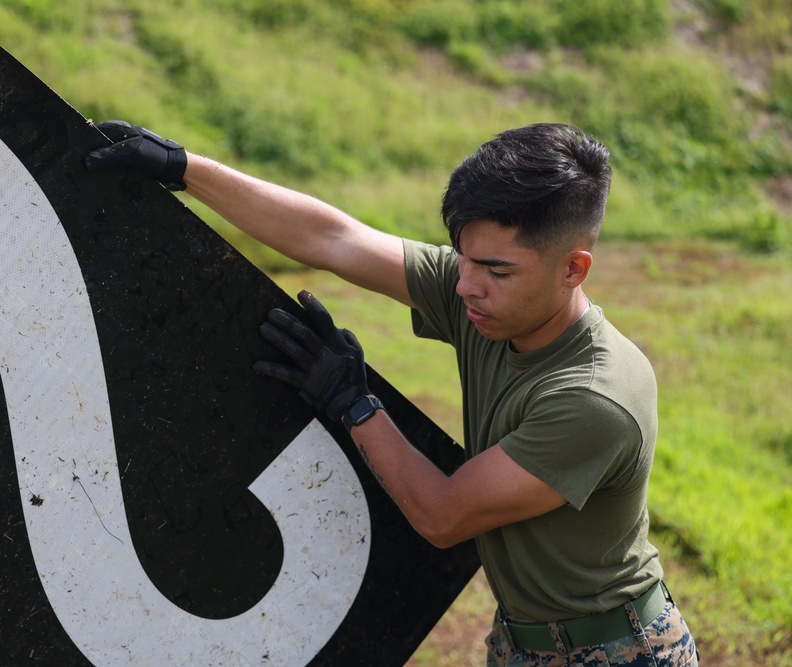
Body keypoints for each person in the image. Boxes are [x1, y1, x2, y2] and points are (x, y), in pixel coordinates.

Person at [85, 120, 699, 666]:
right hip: (522, 641)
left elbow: (444, 515)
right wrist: (184, 168)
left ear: (574, 269)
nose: (466, 287)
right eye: (463, 258)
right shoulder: (488, 300)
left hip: (620, 652)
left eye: (496, 270)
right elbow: (334, 239)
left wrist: (354, 403)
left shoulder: (594, 397)